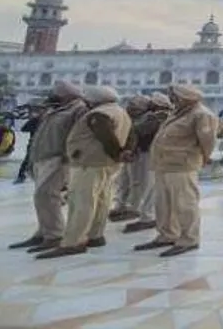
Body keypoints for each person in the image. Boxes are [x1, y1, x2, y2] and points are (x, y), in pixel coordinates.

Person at [35, 86, 132, 259]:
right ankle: (95, 235)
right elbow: (131, 136)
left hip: (90, 162)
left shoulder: (99, 114)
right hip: (104, 163)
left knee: (81, 202)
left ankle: (74, 241)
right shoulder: (120, 111)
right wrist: (121, 154)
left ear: (95, 99)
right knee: (101, 199)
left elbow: (107, 137)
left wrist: (117, 153)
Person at [134, 84, 217, 257]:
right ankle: (167, 235)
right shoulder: (178, 113)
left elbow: (207, 141)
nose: (172, 100)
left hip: (182, 166)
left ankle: (189, 239)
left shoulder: (201, 114)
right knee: (164, 204)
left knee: (185, 204)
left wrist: (202, 158)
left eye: (175, 96)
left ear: (186, 98)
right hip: (164, 165)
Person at [8, 81, 87, 253]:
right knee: (41, 197)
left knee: (47, 196)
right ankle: (43, 232)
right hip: (42, 158)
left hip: (58, 159)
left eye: (56, 92)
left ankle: (54, 235)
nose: (53, 94)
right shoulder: (56, 109)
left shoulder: (78, 109)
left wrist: (69, 157)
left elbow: (79, 136)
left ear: (67, 94)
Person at [122, 92, 172, 234]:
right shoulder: (155, 117)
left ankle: (147, 217)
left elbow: (137, 130)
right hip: (147, 153)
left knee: (149, 186)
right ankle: (145, 214)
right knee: (146, 186)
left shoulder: (156, 118)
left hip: (150, 154)